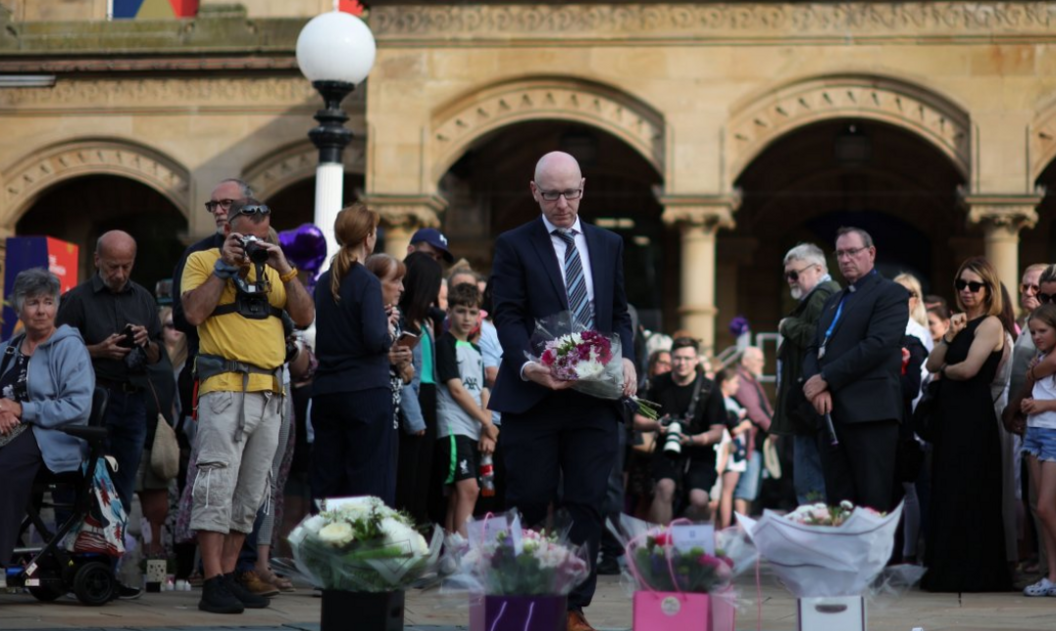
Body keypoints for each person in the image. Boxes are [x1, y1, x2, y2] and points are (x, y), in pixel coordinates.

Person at [489, 151, 636, 631]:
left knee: (587, 502)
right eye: (551, 194)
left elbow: (617, 314)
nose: (562, 204)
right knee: (528, 498)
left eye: (571, 192)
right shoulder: (514, 244)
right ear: (535, 192)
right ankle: (529, 598)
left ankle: (573, 607)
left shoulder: (609, 243)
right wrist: (529, 366)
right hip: (534, 396)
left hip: (595, 397)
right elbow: (506, 313)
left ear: (583, 188)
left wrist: (627, 357)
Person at [182, 198, 314, 613]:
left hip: (271, 393)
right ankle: (213, 580)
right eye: (247, 237)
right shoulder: (203, 261)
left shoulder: (273, 268)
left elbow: (305, 316)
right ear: (229, 232)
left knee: (252, 492)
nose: (255, 243)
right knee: (216, 483)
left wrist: (283, 264)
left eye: (263, 235)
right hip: (224, 388)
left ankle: (229, 574)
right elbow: (194, 312)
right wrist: (224, 266)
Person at [802, 227, 907, 511]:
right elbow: (813, 347)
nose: (845, 259)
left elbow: (878, 345)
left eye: (852, 252)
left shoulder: (891, 293)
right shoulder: (834, 299)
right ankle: (843, 557)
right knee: (840, 502)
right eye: (840, 253)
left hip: (870, 414)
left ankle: (877, 558)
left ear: (870, 253)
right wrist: (815, 387)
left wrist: (826, 378)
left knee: (873, 501)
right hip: (831, 414)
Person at [922, 256, 1011, 592]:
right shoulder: (959, 324)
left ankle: (974, 573)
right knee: (948, 489)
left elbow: (969, 369)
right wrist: (948, 337)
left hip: (972, 419)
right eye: (961, 284)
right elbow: (932, 362)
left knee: (970, 492)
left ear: (989, 289)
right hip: (951, 417)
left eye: (975, 285)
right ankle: (947, 570)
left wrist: (945, 371)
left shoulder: (990, 325)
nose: (967, 291)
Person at [0, 269, 93, 572]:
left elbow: (77, 407)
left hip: (54, 437)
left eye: (48, 302)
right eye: (32, 302)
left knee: (5, 466)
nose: (41, 310)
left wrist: (21, 410)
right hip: (10, 433)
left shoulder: (69, 348)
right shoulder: (8, 350)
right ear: (18, 307)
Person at [311, 203, 396, 506]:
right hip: (365, 392)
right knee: (368, 486)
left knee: (328, 483)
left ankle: (324, 549)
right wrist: (386, 328)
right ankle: (365, 552)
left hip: (326, 392)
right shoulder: (367, 281)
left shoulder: (323, 282)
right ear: (369, 237)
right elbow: (375, 340)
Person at [773, 243, 839, 505]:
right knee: (808, 477)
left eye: (795, 273)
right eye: (787, 274)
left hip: (811, 401)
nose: (790, 280)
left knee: (810, 482)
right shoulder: (822, 294)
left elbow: (820, 338)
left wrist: (787, 325)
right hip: (808, 402)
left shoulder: (824, 294)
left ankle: (815, 536)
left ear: (818, 269)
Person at [635, 337, 725, 525]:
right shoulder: (657, 384)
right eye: (677, 358)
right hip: (666, 449)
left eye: (687, 358)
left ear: (696, 360)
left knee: (699, 499)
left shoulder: (710, 389)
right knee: (664, 487)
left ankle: (699, 546)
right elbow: (638, 420)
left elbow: (718, 433)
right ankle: (658, 544)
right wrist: (656, 425)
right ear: (671, 358)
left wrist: (693, 440)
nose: (682, 363)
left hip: (700, 452)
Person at [435, 283, 493, 535]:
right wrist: (488, 423)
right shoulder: (444, 344)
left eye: (472, 312)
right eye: (461, 311)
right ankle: (463, 559)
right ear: (449, 312)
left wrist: (485, 428)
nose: (467, 318)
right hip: (452, 427)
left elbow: (483, 390)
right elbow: (456, 389)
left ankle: (450, 559)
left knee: (459, 497)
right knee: (469, 490)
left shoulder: (477, 349)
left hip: (473, 429)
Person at [394, 252, 443, 525]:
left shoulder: (425, 322)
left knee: (423, 478)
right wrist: (414, 418)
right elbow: (403, 376)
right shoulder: (401, 320)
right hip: (413, 403)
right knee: (408, 478)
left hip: (428, 398)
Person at [1018, 304, 1056, 596]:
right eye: (1032, 332)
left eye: (1043, 331)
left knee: (1046, 507)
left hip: (1053, 434)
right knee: (1041, 511)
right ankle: (1052, 576)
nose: (1037, 336)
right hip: (1034, 432)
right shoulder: (1039, 358)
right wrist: (1030, 404)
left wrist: (1042, 404)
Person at [733, 346, 772, 516]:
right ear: (745, 361)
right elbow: (754, 410)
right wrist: (772, 428)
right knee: (745, 490)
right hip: (748, 444)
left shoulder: (752, 380)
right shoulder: (740, 381)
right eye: (758, 360)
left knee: (751, 490)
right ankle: (741, 529)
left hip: (756, 442)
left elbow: (766, 408)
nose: (762, 364)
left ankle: (744, 526)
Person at [715, 368, 749, 529]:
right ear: (724, 383)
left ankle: (722, 527)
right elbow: (732, 430)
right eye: (735, 382)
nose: (738, 386)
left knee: (722, 493)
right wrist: (745, 425)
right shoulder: (725, 402)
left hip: (728, 451)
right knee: (726, 493)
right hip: (729, 452)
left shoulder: (727, 401)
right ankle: (725, 529)